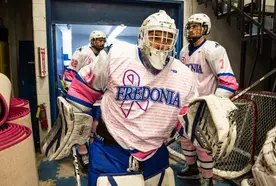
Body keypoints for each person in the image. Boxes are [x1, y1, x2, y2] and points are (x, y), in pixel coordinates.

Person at [66, 10, 198, 186]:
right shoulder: (116, 55)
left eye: (167, 38)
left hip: (156, 152)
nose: (161, 43)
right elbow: (82, 88)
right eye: (155, 36)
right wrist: (75, 123)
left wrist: (200, 130)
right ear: (143, 36)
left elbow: (185, 117)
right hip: (112, 150)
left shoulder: (184, 74)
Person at [177, 13, 239, 185]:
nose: (192, 30)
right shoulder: (183, 51)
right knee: (185, 137)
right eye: (190, 26)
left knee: (203, 144)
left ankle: (207, 179)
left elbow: (229, 82)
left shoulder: (214, 49)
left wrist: (214, 104)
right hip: (187, 103)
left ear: (206, 29)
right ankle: (192, 168)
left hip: (204, 106)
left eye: (197, 26)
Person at [63, 30, 107, 170]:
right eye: (99, 40)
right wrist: (71, 92)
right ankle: (83, 151)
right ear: (92, 41)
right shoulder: (81, 52)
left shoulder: (105, 55)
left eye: (103, 40)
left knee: (95, 126)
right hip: (82, 97)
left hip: (99, 99)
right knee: (82, 125)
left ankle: (93, 151)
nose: (101, 43)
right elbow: (70, 72)